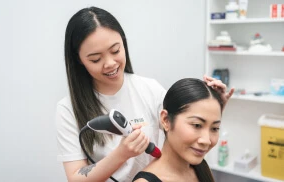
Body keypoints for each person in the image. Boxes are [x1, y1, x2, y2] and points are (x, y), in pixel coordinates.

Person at [55, 6, 234, 182]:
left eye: (116, 50)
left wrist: (213, 107)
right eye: (96, 59)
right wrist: (121, 154)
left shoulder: (149, 89)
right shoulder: (69, 109)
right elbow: (76, 178)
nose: (110, 63)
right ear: (78, 59)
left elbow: (181, 129)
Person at [133, 78, 224, 182]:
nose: (207, 140)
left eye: (214, 128)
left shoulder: (200, 167)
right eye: (197, 125)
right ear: (165, 120)